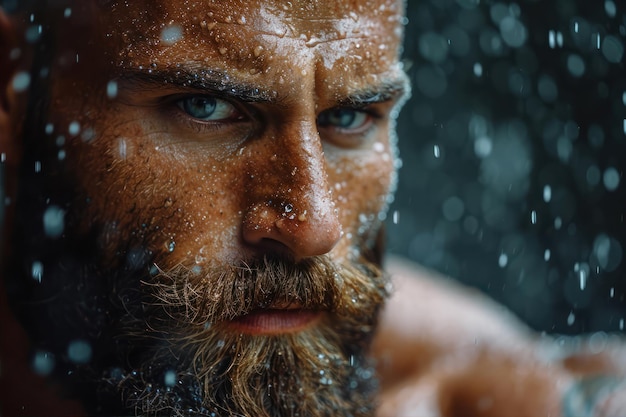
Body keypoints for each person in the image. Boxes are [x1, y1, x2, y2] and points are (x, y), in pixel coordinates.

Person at [0, 1, 624, 416]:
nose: (313, 226)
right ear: (11, 81)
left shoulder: (451, 389)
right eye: (205, 107)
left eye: (349, 119)